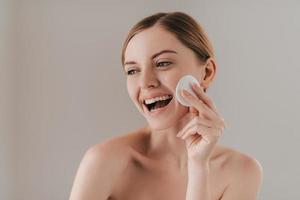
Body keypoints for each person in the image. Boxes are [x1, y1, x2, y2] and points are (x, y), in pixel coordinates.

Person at [69, 11, 263, 200]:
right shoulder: (103, 162)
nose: (145, 82)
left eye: (162, 63)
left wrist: (198, 167)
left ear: (207, 73)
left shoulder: (241, 172)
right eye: (132, 70)